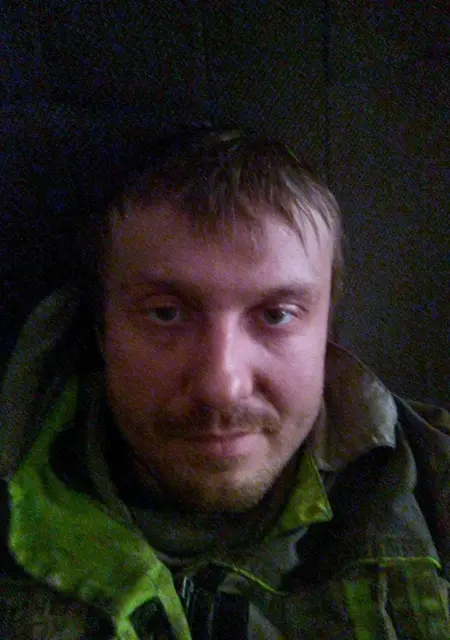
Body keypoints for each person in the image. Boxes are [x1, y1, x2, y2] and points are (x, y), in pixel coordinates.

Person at [0, 128, 448, 639]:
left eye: (276, 315)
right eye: (165, 313)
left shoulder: (435, 488)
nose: (222, 387)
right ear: (102, 330)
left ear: (327, 329)